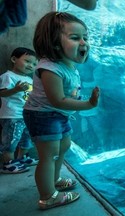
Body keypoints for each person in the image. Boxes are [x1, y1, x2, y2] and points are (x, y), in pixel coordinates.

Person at [23, 12, 100, 210]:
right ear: (55, 43)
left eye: (86, 37)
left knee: (63, 146)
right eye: (75, 38)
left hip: (55, 115)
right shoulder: (50, 69)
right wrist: (88, 104)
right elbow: (57, 100)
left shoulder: (67, 65)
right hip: (42, 115)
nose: (84, 42)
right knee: (48, 155)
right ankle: (48, 196)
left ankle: (55, 179)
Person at [0, 47, 39, 174]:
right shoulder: (8, 76)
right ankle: (8, 164)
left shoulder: (29, 79)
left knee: (25, 138)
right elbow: (3, 93)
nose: (31, 65)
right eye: (27, 61)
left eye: (34, 64)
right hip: (12, 115)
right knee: (11, 140)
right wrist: (16, 90)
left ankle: (22, 158)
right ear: (13, 59)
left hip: (26, 115)